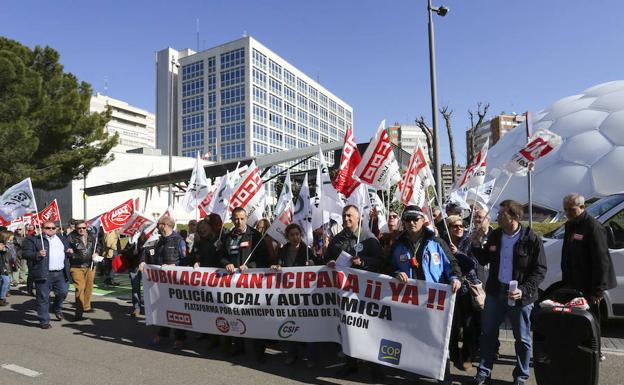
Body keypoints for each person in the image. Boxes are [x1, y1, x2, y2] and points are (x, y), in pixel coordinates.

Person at [468, 200, 547, 385]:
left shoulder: (531, 238)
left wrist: (524, 290)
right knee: (487, 334)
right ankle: (484, 372)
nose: (497, 217)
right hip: (496, 293)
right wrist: (476, 244)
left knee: (522, 339)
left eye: (502, 214)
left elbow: (540, 269)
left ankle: (521, 376)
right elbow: (484, 258)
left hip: (520, 297)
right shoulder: (496, 236)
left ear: (515, 217)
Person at [326, 205, 385, 380]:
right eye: (344, 216)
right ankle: (350, 363)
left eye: (350, 216)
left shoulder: (369, 238)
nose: (346, 219)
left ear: (358, 218)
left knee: (369, 328)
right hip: (344, 292)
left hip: (365, 293)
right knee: (347, 328)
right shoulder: (337, 240)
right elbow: (326, 258)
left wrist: (363, 262)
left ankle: (375, 365)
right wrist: (329, 261)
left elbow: (381, 262)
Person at [560, 193, 616, 362]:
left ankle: (596, 352)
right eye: (566, 210)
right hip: (573, 282)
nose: (568, 213)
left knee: (591, 320)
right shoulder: (570, 225)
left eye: (572, 209)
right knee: (575, 319)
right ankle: (578, 350)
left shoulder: (593, 227)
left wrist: (598, 290)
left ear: (583, 207)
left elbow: (602, 260)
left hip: (590, 285)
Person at [219, 207, 270, 362]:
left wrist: (250, 266)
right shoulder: (228, 236)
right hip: (233, 284)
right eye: (235, 219)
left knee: (254, 316)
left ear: (246, 218)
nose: (238, 222)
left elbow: (264, 258)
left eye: (241, 219)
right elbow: (220, 256)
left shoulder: (255, 236)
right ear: (232, 219)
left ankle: (259, 351)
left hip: (251, 284)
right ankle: (239, 346)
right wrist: (226, 263)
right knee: (235, 314)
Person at [272, 223, 320, 368]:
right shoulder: (283, 250)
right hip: (287, 294)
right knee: (289, 324)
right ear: (287, 236)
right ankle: (292, 354)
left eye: (297, 234)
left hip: (305, 295)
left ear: (301, 235)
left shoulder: (307, 250)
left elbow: (318, 265)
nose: (295, 237)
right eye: (292, 235)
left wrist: (311, 263)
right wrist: (276, 266)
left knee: (308, 326)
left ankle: (311, 357)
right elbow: (277, 264)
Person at [141, 216, 187, 349]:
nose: (157, 226)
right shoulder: (158, 240)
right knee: (163, 308)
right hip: (160, 283)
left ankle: (180, 337)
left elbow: (185, 260)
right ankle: (163, 334)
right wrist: (143, 261)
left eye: (159, 223)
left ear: (165, 225)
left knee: (177, 310)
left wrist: (174, 266)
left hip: (174, 282)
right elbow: (148, 252)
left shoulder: (179, 240)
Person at [445, 216, 481, 371]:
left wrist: (458, 253)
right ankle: (453, 355)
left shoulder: (469, 241)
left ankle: (467, 356)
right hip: (449, 288)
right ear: (448, 228)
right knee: (451, 325)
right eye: (454, 226)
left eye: (461, 225)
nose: (459, 228)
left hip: (466, 289)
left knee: (468, 324)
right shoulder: (443, 242)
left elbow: (474, 264)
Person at [22, 221, 73, 329]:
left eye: (53, 228)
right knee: (43, 298)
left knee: (63, 292)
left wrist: (68, 251)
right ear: (42, 228)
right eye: (48, 227)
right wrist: (37, 254)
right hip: (43, 273)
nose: (51, 229)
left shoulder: (62, 239)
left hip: (60, 272)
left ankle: (57, 308)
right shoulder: (33, 239)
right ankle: (44, 320)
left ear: (57, 229)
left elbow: (66, 251)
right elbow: (25, 254)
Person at [66, 220, 102, 320]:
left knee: (89, 287)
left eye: (83, 228)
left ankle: (86, 306)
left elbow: (98, 245)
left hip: (90, 265)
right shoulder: (70, 237)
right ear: (75, 228)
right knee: (80, 288)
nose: (81, 230)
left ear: (86, 227)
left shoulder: (92, 235)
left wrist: (97, 252)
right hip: (77, 266)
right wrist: (69, 251)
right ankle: (79, 310)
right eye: (79, 228)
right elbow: (65, 247)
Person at [0, 231, 15, 306]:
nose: (13, 237)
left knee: (5, 281)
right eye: (11, 236)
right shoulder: (2, 244)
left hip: (3, 265)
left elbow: (9, 253)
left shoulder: (7, 244)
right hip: (2, 266)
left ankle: (2, 298)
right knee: (6, 280)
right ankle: (2, 298)